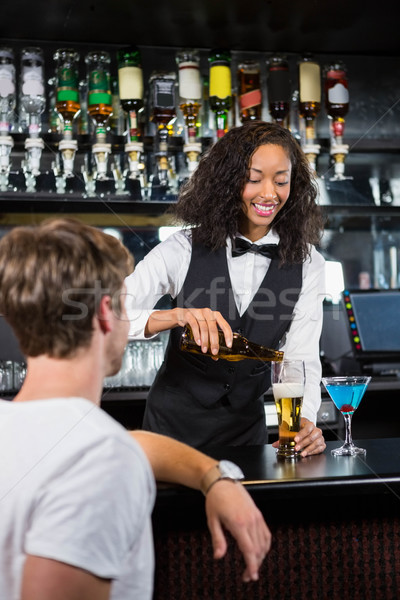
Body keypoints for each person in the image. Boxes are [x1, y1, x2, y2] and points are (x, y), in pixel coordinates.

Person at [0, 218, 271, 600]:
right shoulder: (103, 462)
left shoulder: (31, 433)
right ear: (107, 313)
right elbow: (107, 454)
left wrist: (214, 476)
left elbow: (133, 446)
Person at [125, 120, 327, 454]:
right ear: (229, 180)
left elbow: (301, 358)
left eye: (281, 181)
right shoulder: (183, 247)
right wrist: (175, 316)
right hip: (171, 436)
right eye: (253, 179)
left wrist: (303, 423)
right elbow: (112, 313)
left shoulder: (309, 262)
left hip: (246, 439)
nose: (268, 193)